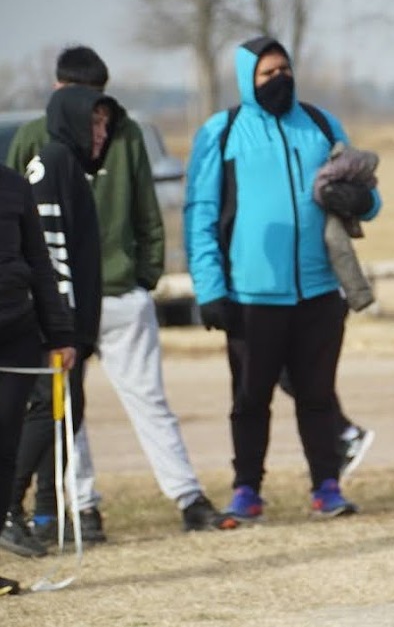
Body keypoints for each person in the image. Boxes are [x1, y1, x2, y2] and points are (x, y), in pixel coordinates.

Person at [2, 46, 236, 558]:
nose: (98, 127)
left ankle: (187, 497)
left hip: (115, 299)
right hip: (63, 311)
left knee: (142, 401)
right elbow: (37, 237)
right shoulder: (39, 148)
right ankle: (74, 505)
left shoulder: (122, 138)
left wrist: (144, 276)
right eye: (86, 110)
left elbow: (147, 214)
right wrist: (53, 317)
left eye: (101, 112)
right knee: (62, 411)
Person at [184, 36, 381, 521]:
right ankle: (247, 490)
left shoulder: (319, 124)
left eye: (284, 70)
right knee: (250, 399)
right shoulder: (223, 132)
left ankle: (326, 487)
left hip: (318, 292)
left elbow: (367, 193)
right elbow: (201, 213)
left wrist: (362, 203)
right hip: (250, 295)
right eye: (267, 74)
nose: (279, 80)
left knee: (317, 396)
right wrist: (210, 289)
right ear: (248, 80)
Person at [0, 84, 114, 559]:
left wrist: (67, 331)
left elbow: (46, 262)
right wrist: (62, 328)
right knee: (47, 415)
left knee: (23, 436)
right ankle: (21, 509)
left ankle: (29, 511)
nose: (101, 134)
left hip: (34, 329)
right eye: (94, 123)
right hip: (32, 333)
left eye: (107, 124)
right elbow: (54, 258)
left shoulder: (28, 181)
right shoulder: (51, 163)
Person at [0, 163, 77, 595]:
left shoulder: (13, 185)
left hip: (15, 333)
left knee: (4, 449)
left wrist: (60, 333)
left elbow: (38, 262)